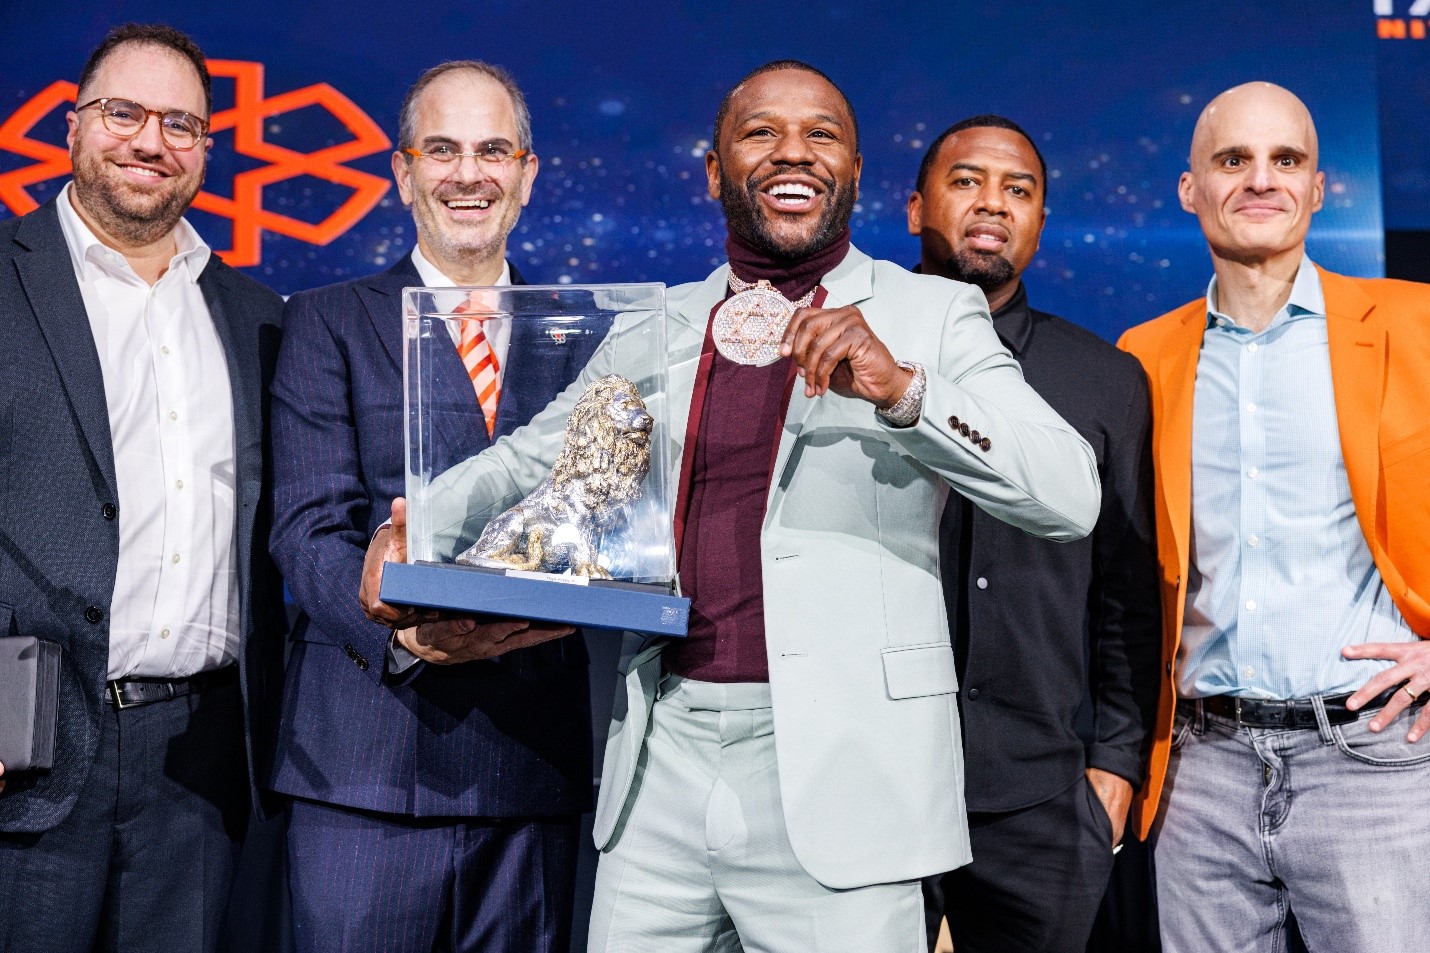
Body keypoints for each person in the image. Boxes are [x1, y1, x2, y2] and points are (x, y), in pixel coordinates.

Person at [362, 60, 1102, 953]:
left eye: (822, 134)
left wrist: (903, 388)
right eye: (762, 133)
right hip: (659, 762)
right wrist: (411, 536)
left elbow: (1068, 490)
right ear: (715, 172)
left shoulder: (931, 316)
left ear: (856, 172)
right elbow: (532, 458)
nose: (795, 152)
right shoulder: (656, 324)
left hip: (845, 772)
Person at [268, 61, 601, 953]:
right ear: (403, 171)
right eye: (442, 149)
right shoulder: (327, 320)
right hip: (363, 766)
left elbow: (610, 521)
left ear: (527, 175)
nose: (468, 174)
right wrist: (397, 628)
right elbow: (305, 528)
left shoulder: (593, 336)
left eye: (493, 150)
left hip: (533, 769)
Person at [1119, 81, 1430, 950]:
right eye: (1233, 159)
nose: (1261, 179)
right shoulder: (1143, 356)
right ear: (1191, 189)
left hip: (1374, 759)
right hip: (1198, 770)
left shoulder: (1418, 323)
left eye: (1285, 159)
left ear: (1319, 187)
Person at [0, 24, 286, 952]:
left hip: (198, 773)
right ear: (73, 127)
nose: (150, 141)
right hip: (22, 752)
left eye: (181, 124)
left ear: (206, 149)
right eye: (123, 113)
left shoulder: (256, 317)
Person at [908, 115, 1161, 953]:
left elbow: (1126, 591)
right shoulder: (848, 349)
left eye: (1019, 190)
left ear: (1042, 223)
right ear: (915, 209)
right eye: (968, 180)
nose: (993, 204)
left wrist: (1117, 765)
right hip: (872, 784)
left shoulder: (1104, 379)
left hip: (1045, 800)